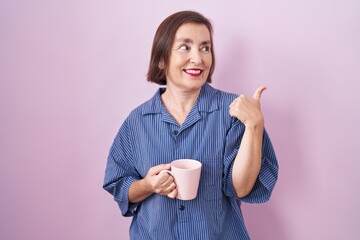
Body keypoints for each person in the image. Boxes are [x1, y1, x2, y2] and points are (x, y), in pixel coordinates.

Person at [103, 10, 278, 239]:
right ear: (161, 59)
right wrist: (148, 185)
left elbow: (241, 188)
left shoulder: (233, 112)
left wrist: (255, 125)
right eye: (185, 47)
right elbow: (120, 185)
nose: (198, 58)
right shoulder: (137, 121)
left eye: (205, 48)